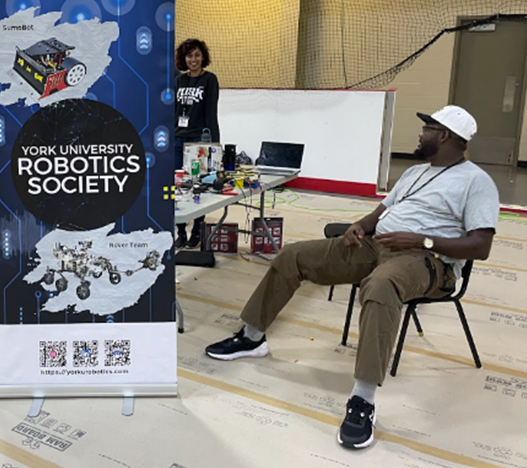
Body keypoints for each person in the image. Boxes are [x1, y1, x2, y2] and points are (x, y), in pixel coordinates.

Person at [204, 105, 498, 450]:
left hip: (428, 260)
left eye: (428, 128)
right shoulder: (415, 172)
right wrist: (360, 226)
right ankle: (252, 337)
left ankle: (363, 400)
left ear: (445, 135)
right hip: (377, 246)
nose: (420, 133)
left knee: (381, 285)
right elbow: (381, 212)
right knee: (292, 255)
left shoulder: (477, 182)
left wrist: (422, 240)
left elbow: (481, 245)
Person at [174, 38, 220, 249]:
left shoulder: (210, 80)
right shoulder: (178, 80)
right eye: (189, 56)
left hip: (198, 143)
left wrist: (213, 145)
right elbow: (173, 111)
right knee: (178, 188)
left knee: (198, 187)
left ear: (203, 57)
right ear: (184, 58)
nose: (193, 59)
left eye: (197, 55)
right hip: (177, 139)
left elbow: (211, 113)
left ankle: (197, 231)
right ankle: (181, 230)